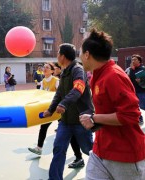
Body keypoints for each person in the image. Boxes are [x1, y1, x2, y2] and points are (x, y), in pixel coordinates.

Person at [79, 29, 145, 180]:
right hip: (101, 150)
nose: (80, 57)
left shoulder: (113, 76)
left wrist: (94, 118)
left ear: (87, 54)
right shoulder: (97, 74)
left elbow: (130, 116)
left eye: (80, 53)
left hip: (125, 155)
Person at [43, 43, 94, 180]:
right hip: (65, 122)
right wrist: (50, 110)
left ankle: (110, 168)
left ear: (63, 56)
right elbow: (58, 94)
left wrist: (64, 104)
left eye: (58, 53)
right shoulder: (64, 73)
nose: (57, 56)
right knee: (59, 149)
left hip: (80, 121)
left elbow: (78, 88)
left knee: (89, 149)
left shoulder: (78, 70)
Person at [28, 62, 59, 155]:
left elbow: (61, 94)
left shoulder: (56, 80)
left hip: (58, 109)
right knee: (43, 127)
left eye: (47, 67)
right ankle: (39, 148)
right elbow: (41, 95)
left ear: (52, 71)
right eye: (44, 67)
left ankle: (78, 155)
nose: (44, 69)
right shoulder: (43, 81)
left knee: (67, 130)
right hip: (49, 109)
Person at [127, 54, 144, 125]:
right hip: (133, 91)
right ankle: (140, 118)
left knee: (143, 106)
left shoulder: (143, 69)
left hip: (142, 91)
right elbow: (126, 78)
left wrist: (141, 81)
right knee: (136, 106)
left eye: (135, 60)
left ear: (139, 61)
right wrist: (131, 69)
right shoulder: (130, 69)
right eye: (132, 60)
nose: (133, 61)